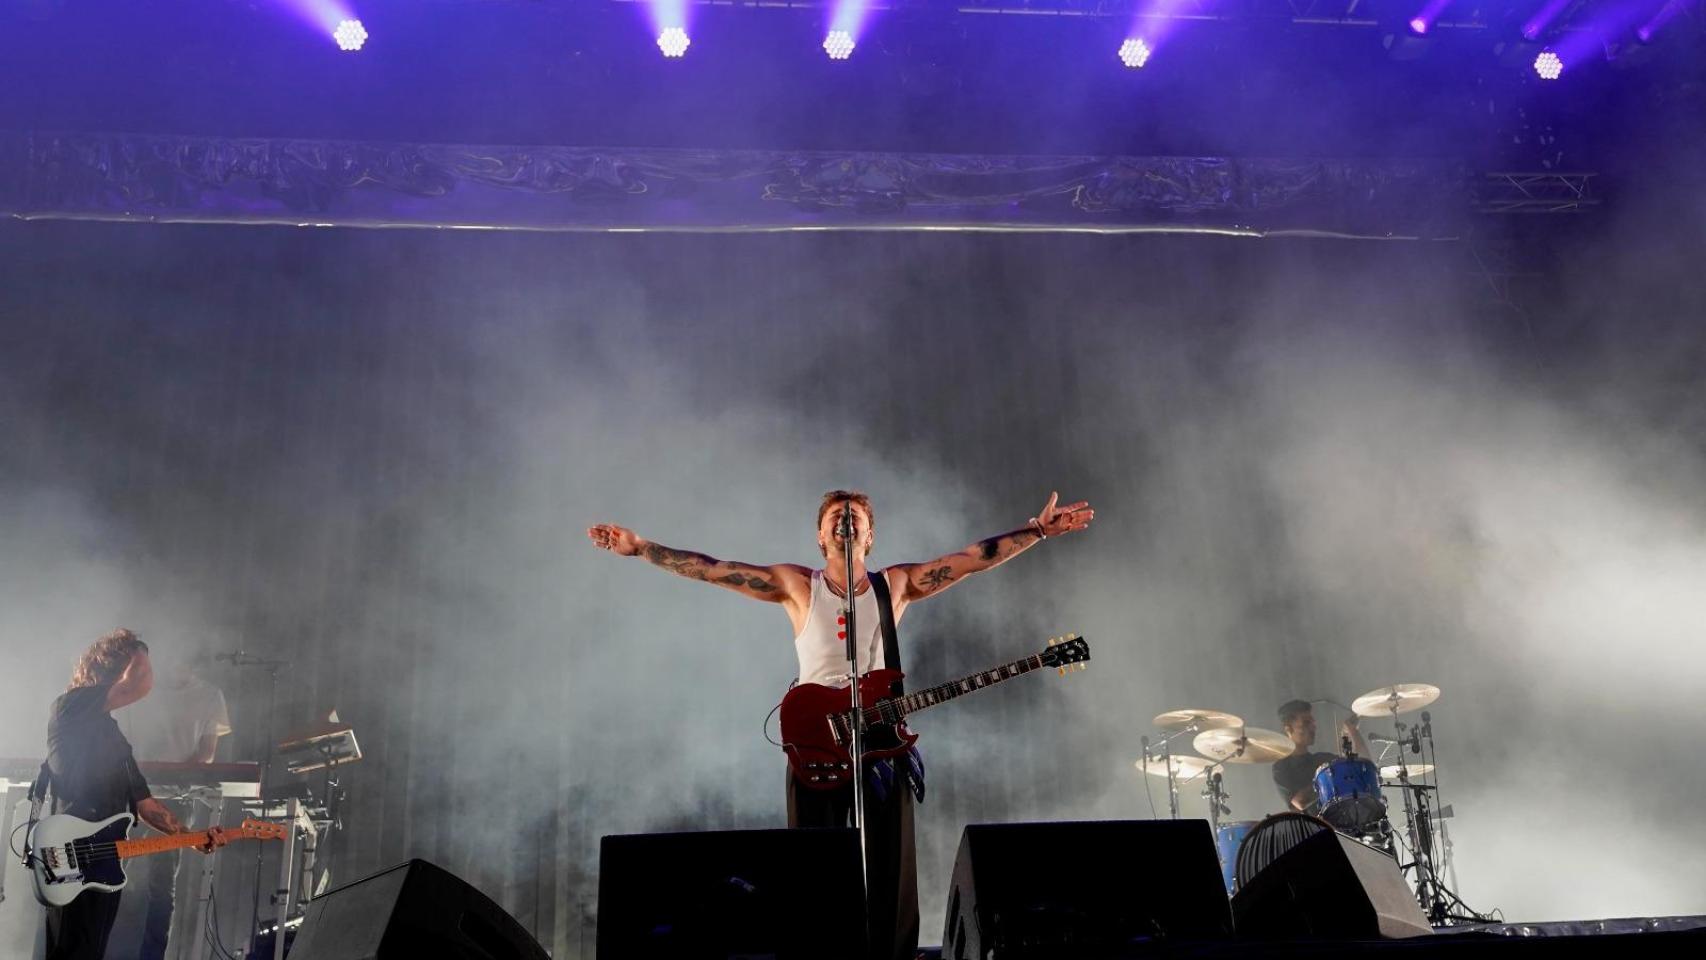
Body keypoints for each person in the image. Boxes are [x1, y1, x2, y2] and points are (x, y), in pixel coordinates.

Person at [588, 489, 1094, 960]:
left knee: (891, 866)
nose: (846, 520)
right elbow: (715, 570)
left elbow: (968, 561)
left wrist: (1039, 532)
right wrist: (641, 548)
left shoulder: (893, 585)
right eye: (837, 516)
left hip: (880, 736)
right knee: (812, 861)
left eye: (857, 517)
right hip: (816, 737)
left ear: (870, 536)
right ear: (821, 535)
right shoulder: (796, 585)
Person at [42, 630, 223, 960]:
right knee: (70, 946)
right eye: (140, 666)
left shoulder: (115, 736)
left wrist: (193, 838)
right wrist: (137, 649)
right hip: (72, 846)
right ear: (114, 667)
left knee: (91, 948)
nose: (149, 675)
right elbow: (132, 686)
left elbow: (147, 806)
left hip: (106, 854)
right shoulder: (71, 706)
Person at [105, 652, 233, 960]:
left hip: (175, 796)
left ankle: (151, 956)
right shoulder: (146, 689)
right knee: (108, 874)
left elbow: (207, 752)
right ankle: (99, 948)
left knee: (161, 887)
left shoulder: (210, 695)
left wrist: (179, 774)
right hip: (132, 791)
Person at [1271, 698, 1370, 813]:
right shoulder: (1281, 767)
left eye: (1313, 722)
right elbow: (1301, 801)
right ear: (1288, 729)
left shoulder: (1323, 759)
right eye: (1306, 723)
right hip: (1315, 829)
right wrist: (1336, 777)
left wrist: (1352, 730)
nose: (1313, 727)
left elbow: (1364, 766)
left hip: (1344, 824)